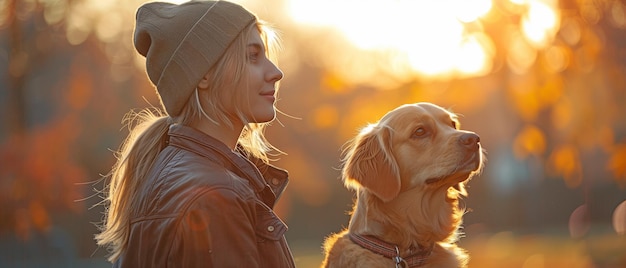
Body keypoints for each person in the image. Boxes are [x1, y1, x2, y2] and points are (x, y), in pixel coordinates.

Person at [95, 1, 295, 267]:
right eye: (252, 57)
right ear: (204, 75)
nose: (276, 72)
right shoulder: (216, 196)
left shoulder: (167, 172)